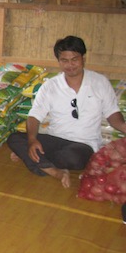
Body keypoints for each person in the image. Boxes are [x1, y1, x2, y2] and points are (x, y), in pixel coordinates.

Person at [7, 35, 126, 188]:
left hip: (83, 145)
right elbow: (35, 116)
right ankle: (53, 170)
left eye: (74, 59)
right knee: (14, 138)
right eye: (64, 60)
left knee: (74, 159)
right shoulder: (51, 85)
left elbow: (112, 114)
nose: (70, 65)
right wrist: (31, 140)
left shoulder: (99, 82)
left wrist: (123, 126)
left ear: (83, 58)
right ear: (59, 61)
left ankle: (35, 159)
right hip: (54, 139)